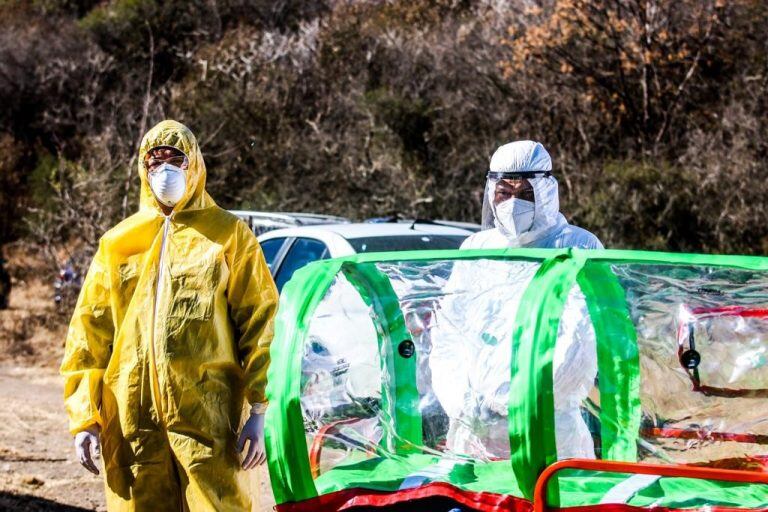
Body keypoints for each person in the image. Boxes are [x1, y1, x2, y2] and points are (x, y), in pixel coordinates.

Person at [60, 120, 278, 510]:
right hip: (132, 420)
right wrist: (85, 416)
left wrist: (259, 409)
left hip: (212, 419)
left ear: (194, 164)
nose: (165, 169)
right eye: (155, 160)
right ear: (143, 168)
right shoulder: (119, 242)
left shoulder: (228, 235)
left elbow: (259, 321)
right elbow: (89, 332)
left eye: (175, 158)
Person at [429, 140, 601, 460]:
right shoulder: (477, 249)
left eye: (524, 194)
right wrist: (464, 403)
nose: (512, 204)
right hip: (475, 429)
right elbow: (448, 336)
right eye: (504, 193)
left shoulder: (577, 246)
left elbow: (581, 340)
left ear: (546, 192)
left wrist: (522, 401)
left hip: (548, 426)